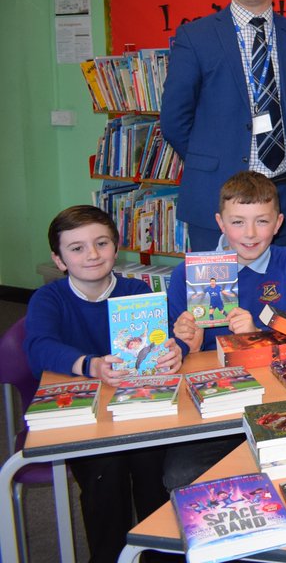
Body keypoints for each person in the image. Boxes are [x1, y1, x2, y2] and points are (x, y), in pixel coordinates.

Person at [24, 206, 183, 563]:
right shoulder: (49, 299)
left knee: (152, 466)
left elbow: (165, 336)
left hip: (138, 408)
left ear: (116, 247)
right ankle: (109, 555)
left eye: (101, 243)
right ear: (59, 259)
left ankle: (159, 553)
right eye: (77, 248)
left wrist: (175, 350)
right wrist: (89, 364)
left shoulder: (134, 291)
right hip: (87, 420)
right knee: (104, 474)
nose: (92, 254)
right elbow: (38, 348)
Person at [163, 171, 286, 490]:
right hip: (215, 409)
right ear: (220, 222)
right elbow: (172, 354)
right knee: (182, 476)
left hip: (281, 398)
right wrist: (186, 345)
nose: (250, 234)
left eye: (262, 221)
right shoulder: (187, 274)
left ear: (279, 222)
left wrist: (259, 337)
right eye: (238, 222)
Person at [160, 0, 286, 250]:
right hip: (219, 197)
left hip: (282, 195)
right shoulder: (195, 37)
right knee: (220, 299)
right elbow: (175, 119)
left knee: (280, 294)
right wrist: (216, 158)